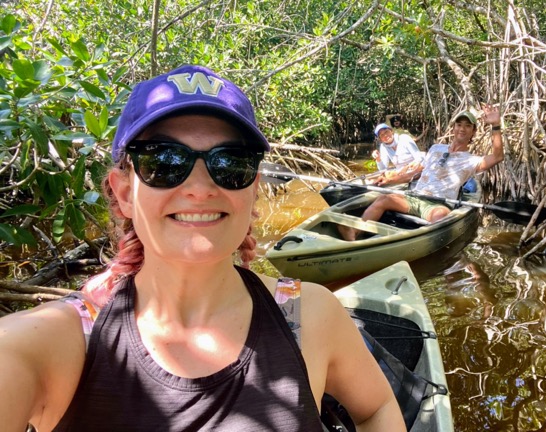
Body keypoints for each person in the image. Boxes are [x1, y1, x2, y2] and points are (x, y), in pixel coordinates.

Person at [0, 65, 405, 431]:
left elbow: (376, 407)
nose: (199, 188)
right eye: (163, 161)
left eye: (231, 163)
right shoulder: (51, 344)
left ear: (253, 189)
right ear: (124, 192)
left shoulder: (310, 316)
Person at [340, 107, 503, 241]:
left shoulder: (471, 160)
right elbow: (416, 173)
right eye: (459, 124)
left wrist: (495, 126)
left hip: (437, 204)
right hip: (414, 197)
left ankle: (414, 243)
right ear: (453, 128)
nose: (462, 128)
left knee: (440, 218)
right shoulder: (435, 148)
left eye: (467, 126)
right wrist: (391, 179)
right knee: (384, 198)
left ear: (473, 132)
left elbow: (497, 157)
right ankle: (354, 233)